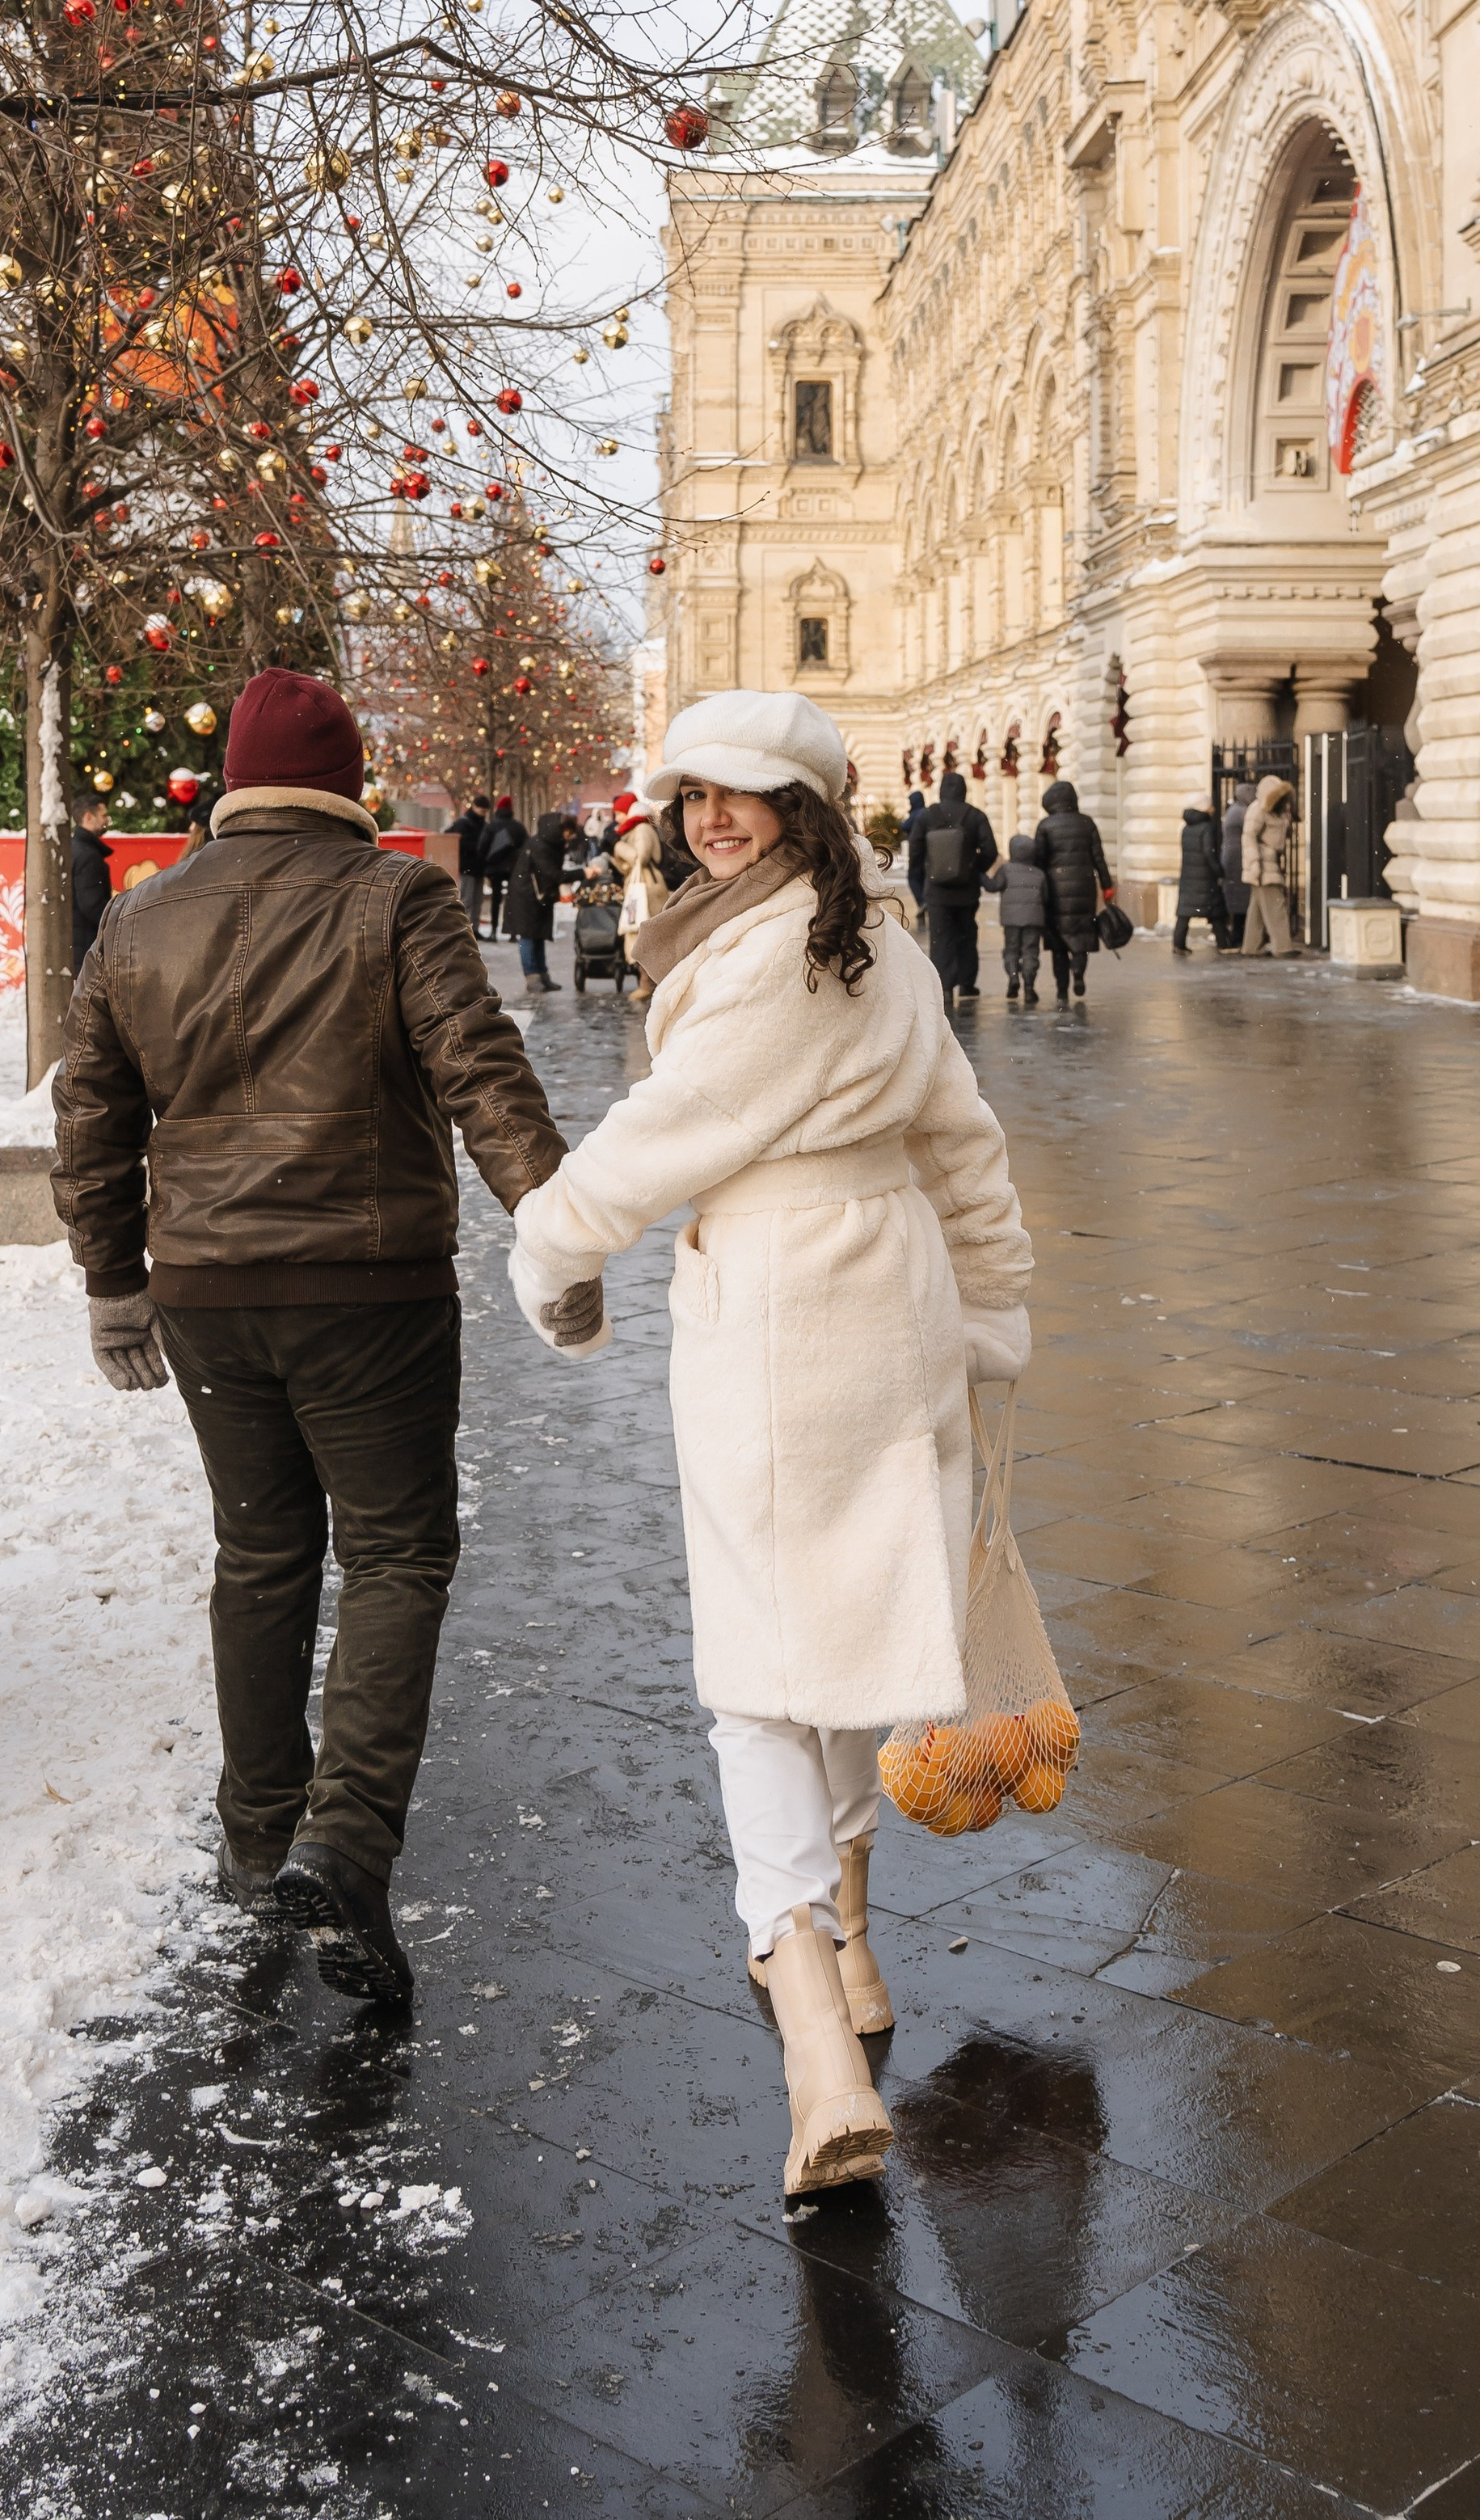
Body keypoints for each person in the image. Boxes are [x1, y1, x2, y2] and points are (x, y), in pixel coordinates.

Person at [504, 688, 1031, 2202]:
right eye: (694, 798)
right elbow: (961, 1140)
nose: (712, 819)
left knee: (754, 1672)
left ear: (803, 807)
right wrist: (993, 1309)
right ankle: (854, 1943)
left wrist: (550, 1250)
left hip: (787, 1316)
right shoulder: (878, 937)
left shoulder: (768, 955)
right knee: (848, 1634)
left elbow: (660, 1139)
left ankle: (813, 2035)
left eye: (746, 796)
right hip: (896, 1297)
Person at [52, 668, 567, 2009]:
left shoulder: (138, 918)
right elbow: (480, 1069)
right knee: (396, 1547)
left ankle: (256, 1836)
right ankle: (343, 1843)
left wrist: (114, 1278)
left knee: (261, 1550)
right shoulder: (396, 898)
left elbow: (92, 1113)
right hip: (369, 1285)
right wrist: (556, 1226)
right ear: (345, 788)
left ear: (231, 784)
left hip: (207, 1289)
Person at [909, 770, 998, 1007]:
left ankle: (945, 987)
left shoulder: (927, 816)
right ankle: (967, 984)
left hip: (937, 891)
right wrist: (973, 868)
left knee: (941, 938)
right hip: (967, 891)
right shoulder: (975, 816)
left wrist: (924, 878)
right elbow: (990, 851)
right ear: (964, 790)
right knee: (967, 934)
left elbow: (915, 853)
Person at [1035, 778, 1115, 1002]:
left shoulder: (1045, 826)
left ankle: (1062, 990)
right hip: (1084, 886)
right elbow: (1099, 858)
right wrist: (1107, 886)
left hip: (1055, 889)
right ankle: (1078, 972)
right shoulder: (1087, 823)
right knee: (1081, 935)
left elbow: (1039, 861)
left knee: (1059, 941)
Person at [504, 808, 571, 992]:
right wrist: (581, 873)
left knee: (538, 935)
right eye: (567, 832)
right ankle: (532, 977)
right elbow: (552, 873)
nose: (569, 836)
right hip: (526, 897)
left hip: (537, 896)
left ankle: (542, 974)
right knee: (527, 936)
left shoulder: (549, 843)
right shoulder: (540, 846)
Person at [985, 827, 1048, 1002]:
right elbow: (1046, 897)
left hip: (1011, 919)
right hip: (1034, 920)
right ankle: (1029, 987)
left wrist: (980, 876)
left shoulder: (1006, 870)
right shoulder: (1039, 873)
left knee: (1011, 950)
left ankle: (1013, 977)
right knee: (1030, 952)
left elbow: (993, 886)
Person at [612, 797, 667, 990]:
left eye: (619, 813)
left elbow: (639, 857)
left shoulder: (641, 829)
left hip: (646, 888)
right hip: (642, 885)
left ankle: (648, 984)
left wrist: (618, 847)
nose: (617, 818)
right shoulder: (636, 829)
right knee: (641, 933)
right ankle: (647, 982)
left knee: (642, 933)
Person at [1239, 773, 1297, 956]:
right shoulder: (1257, 810)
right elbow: (1249, 838)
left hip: (1270, 862)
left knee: (1257, 909)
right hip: (1263, 864)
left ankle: (1251, 947)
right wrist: (1255, 862)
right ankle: (1283, 947)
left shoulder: (1280, 810)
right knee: (1276, 905)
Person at [1172, 804, 1226, 955]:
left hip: (1188, 877)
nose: (1213, 808)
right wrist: (1218, 870)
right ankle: (1223, 944)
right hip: (1205, 877)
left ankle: (1178, 944)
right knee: (1216, 911)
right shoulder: (1207, 827)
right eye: (1210, 805)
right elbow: (1209, 852)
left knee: (1184, 913)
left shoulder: (1186, 828)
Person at [70, 793, 113, 976]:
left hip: (78, 943)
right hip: (86, 944)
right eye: (103, 816)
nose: (107, 820)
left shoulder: (75, 848)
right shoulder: (88, 856)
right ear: (88, 817)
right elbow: (93, 905)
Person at [480, 796, 525, 939]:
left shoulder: (491, 826)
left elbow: (482, 847)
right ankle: (512, 932)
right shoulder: (518, 827)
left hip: (495, 868)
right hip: (514, 868)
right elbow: (526, 847)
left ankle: (494, 931)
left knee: (496, 898)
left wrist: (486, 862)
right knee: (512, 898)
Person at [448, 794, 491, 937]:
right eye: (482, 810)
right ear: (475, 807)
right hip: (468, 867)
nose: (483, 813)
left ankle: (473, 929)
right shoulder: (464, 824)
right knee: (468, 899)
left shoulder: (477, 824)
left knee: (476, 900)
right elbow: (461, 843)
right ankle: (464, 929)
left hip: (476, 867)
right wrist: (479, 847)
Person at [1218, 786, 1251, 950]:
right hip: (1238, 861)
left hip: (1233, 859)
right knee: (1242, 902)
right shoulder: (1241, 811)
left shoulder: (1234, 810)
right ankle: (1238, 937)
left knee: (1237, 901)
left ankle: (1237, 935)